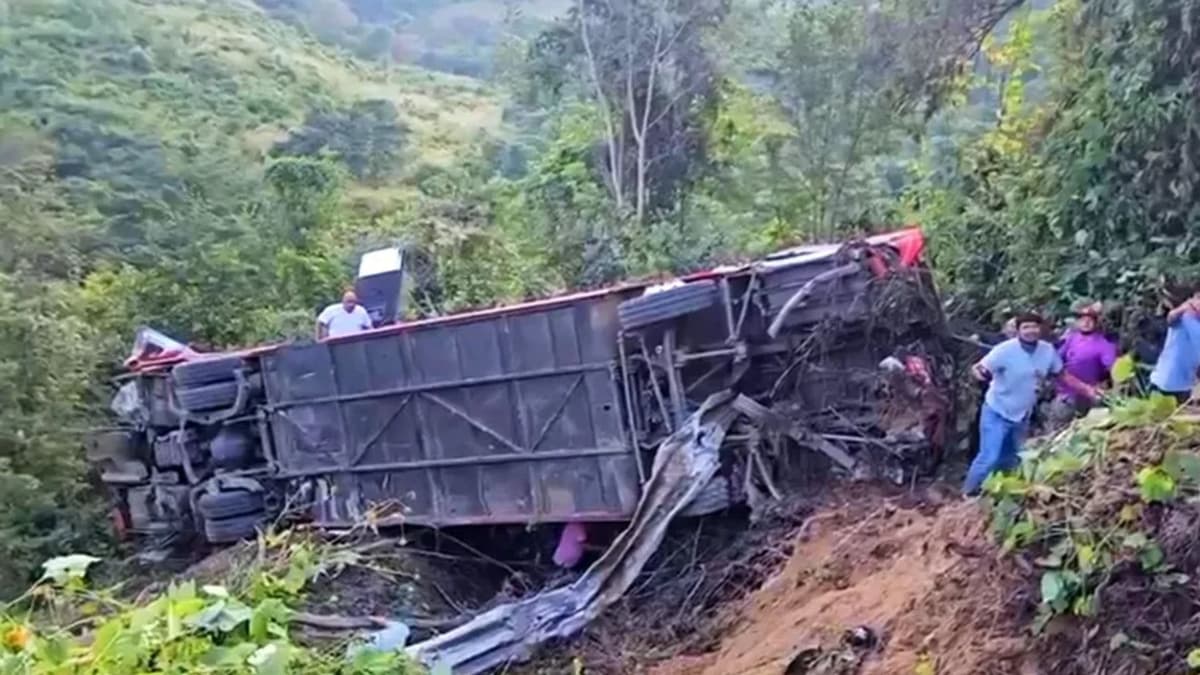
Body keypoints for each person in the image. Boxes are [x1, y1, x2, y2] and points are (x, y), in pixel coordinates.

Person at [963, 312, 1100, 495]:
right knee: (989, 457)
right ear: (1018, 330)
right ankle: (968, 494)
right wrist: (980, 374)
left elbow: (1062, 375)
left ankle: (998, 494)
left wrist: (1088, 390)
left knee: (1012, 459)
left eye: (1034, 326)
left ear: (1040, 329)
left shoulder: (1047, 351)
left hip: (1022, 415)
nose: (1030, 331)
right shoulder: (1004, 350)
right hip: (997, 411)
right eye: (1025, 327)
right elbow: (978, 369)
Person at [1045, 302, 1118, 429]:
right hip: (1065, 394)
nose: (1086, 323)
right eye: (1083, 319)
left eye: (1090, 320)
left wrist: (1113, 389)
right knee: (1056, 430)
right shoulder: (1071, 338)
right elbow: (1055, 360)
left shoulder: (1104, 344)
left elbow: (1113, 369)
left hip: (1089, 394)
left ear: (1096, 322)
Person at [1148, 288, 1200, 403]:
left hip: (1185, 386)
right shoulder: (1183, 317)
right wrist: (1184, 307)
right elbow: (1171, 318)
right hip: (1163, 383)